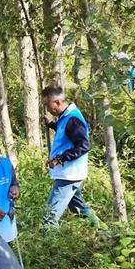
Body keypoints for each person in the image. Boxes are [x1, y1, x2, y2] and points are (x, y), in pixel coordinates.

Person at [42, 85, 99, 226]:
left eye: (47, 105)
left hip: (69, 175)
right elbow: (66, 132)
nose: (47, 109)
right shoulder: (66, 116)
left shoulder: (72, 119)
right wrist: (52, 125)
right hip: (71, 173)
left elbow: (84, 145)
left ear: (57, 102)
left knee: (50, 215)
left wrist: (59, 159)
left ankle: (51, 247)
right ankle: (104, 231)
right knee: (78, 208)